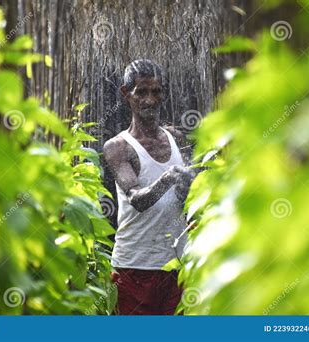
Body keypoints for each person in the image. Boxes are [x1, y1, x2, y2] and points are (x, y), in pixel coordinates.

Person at [103, 59, 195, 315]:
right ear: (126, 94)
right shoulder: (118, 147)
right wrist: (169, 178)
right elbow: (137, 199)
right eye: (141, 92)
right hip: (135, 268)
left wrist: (191, 184)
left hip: (175, 266)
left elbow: (188, 197)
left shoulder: (176, 138)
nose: (149, 100)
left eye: (156, 92)